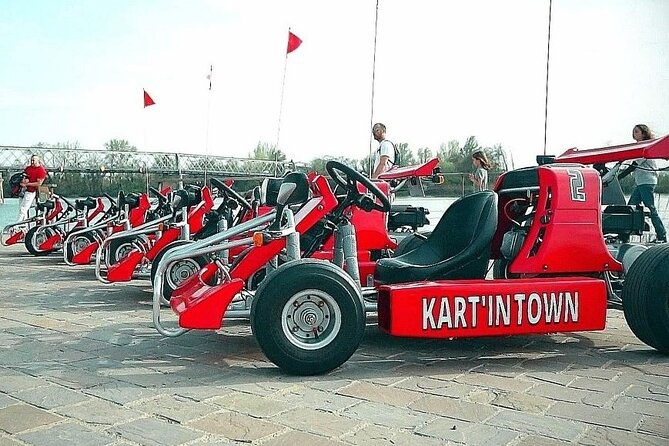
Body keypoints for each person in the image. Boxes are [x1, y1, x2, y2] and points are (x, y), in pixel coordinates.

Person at [628, 124, 666, 243]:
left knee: (650, 208)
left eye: (637, 132)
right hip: (640, 182)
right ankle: (626, 234)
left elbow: (634, 164)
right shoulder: (638, 146)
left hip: (647, 182)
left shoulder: (645, 146)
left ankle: (662, 235)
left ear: (644, 133)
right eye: (634, 132)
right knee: (631, 206)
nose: (635, 134)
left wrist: (618, 176)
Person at [17, 154, 47, 222]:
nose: (32, 162)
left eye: (33, 160)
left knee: (23, 209)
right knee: (21, 209)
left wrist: (27, 184)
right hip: (22, 191)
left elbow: (39, 183)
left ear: (38, 160)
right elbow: (23, 176)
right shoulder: (28, 168)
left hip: (31, 191)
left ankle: (17, 224)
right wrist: (22, 181)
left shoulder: (41, 170)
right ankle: (23, 225)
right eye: (31, 160)